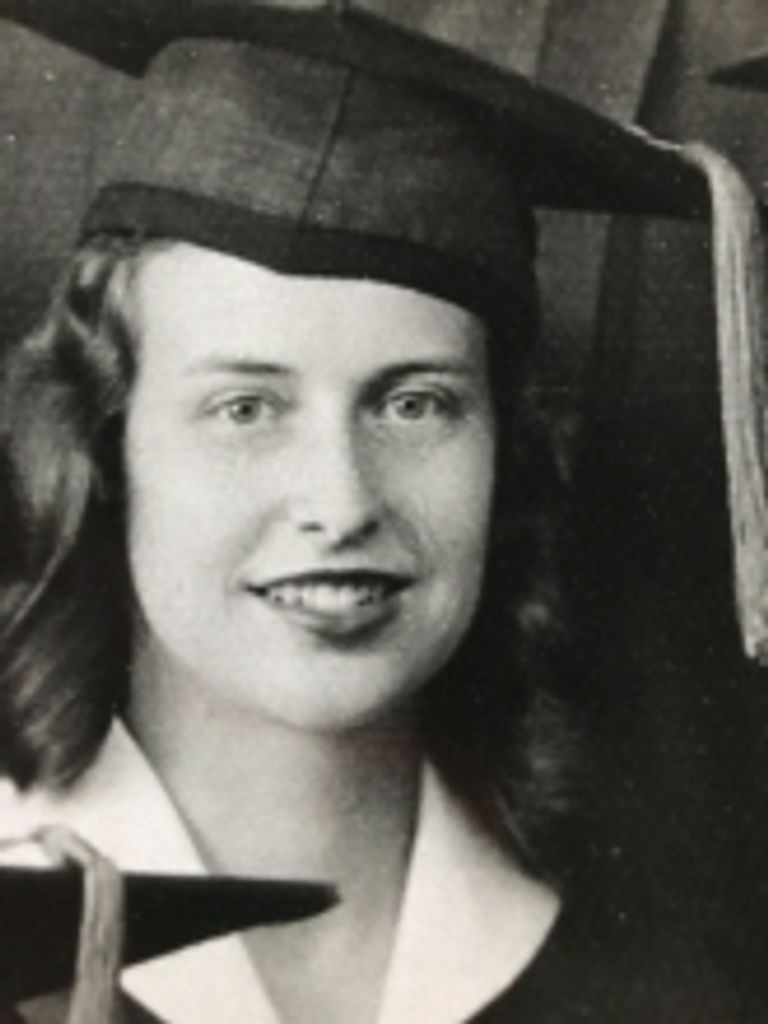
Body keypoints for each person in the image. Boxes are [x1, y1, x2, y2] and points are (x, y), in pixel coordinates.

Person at [0, 4, 761, 1022]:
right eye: (245, 408)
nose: (342, 501)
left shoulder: (667, 985)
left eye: (415, 404)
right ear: (104, 448)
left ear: (508, 455)